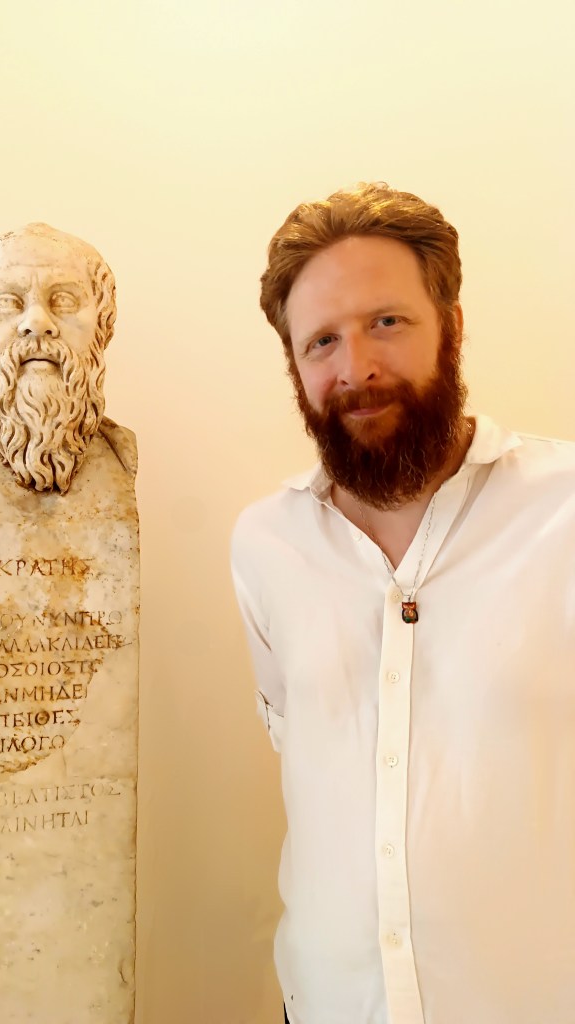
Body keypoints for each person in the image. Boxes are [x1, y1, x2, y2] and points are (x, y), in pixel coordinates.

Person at [231, 183, 575, 1024]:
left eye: (386, 321)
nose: (356, 369)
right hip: (327, 1006)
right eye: (322, 341)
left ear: (451, 326)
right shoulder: (264, 544)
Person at [0, 222, 134, 493]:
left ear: (102, 324)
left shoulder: (121, 454)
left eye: (64, 300)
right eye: (6, 302)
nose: (37, 322)